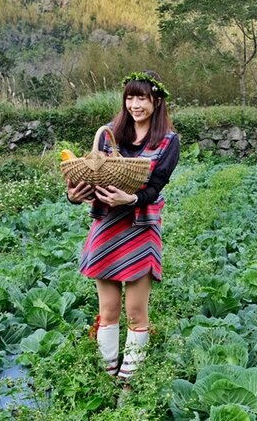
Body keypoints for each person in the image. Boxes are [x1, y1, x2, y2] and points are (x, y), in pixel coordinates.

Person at [67, 70, 180, 383]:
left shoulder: (168, 142)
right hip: (107, 227)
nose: (135, 104)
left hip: (140, 227)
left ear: (156, 100)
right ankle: (107, 375)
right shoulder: (108, 137)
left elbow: (154, 189)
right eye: (130, 97)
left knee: (135, 311)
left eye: (141, 97)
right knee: (108, 309)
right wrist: (73, 195)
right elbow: (93, 178)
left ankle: (128, 382)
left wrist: (129, 199)